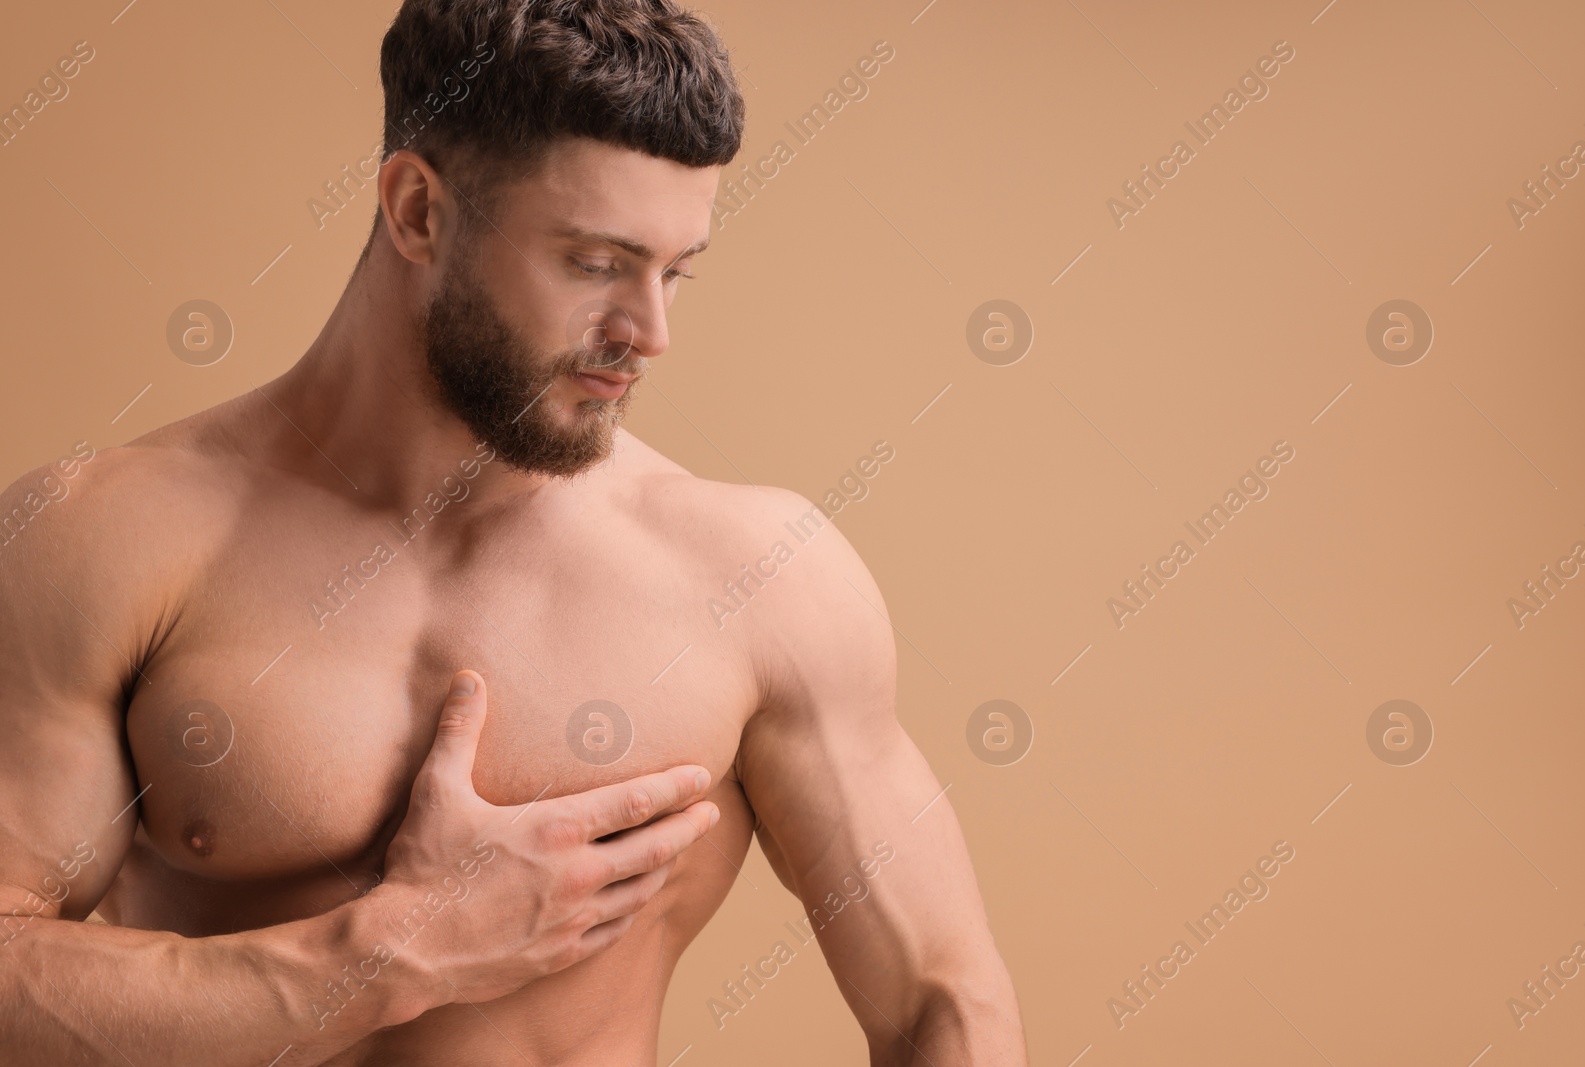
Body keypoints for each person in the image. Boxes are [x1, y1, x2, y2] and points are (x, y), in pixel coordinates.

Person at [0, 1, 1026, 1063]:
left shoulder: (757, 576)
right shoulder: (104, 543)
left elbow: (940, 1006)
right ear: (417, 210)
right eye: (595, 263)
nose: (650, 335)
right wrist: (388, 952)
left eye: (675, 271)